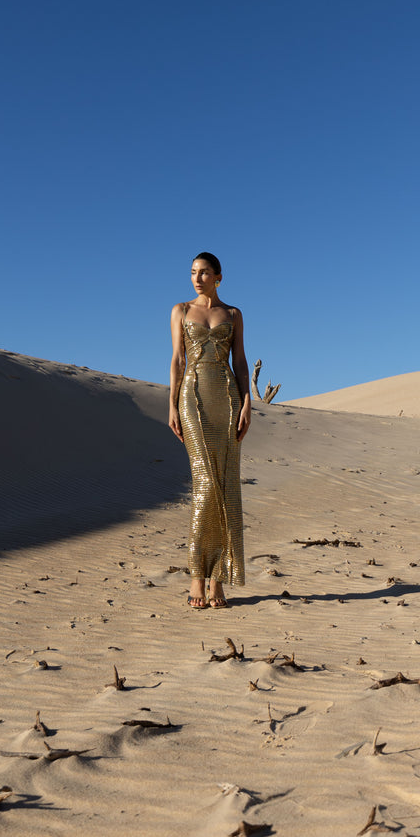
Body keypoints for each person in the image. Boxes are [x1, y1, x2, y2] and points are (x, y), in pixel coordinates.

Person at [168, 252, 251, 609]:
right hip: (192, 397)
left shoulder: (233, 315)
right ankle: (196, 579)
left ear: (218, 276)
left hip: (228, 398)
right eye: (192, 273)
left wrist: (248, 403)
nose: (197, 278)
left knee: (227, 486)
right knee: (205, 485)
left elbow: (241, 361)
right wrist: (171, 404)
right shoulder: (181, 311)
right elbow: (177, 359)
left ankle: (219, 581)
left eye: (203, 272)